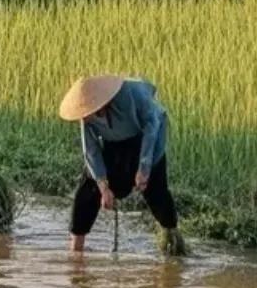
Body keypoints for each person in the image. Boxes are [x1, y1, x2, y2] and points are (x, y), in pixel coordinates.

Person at [59, 74, 185, 256]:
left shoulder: (131, 93)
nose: (84, 119)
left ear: (100, 105)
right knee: (88, 189)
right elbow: (91, 150)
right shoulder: (87, 119)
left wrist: (144, 168)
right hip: (114, 143)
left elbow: (152, 126)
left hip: (147, 137)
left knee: (156, 193)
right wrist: (103, 187)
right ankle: (76, 249)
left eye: (87, 113)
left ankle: (172, 241)